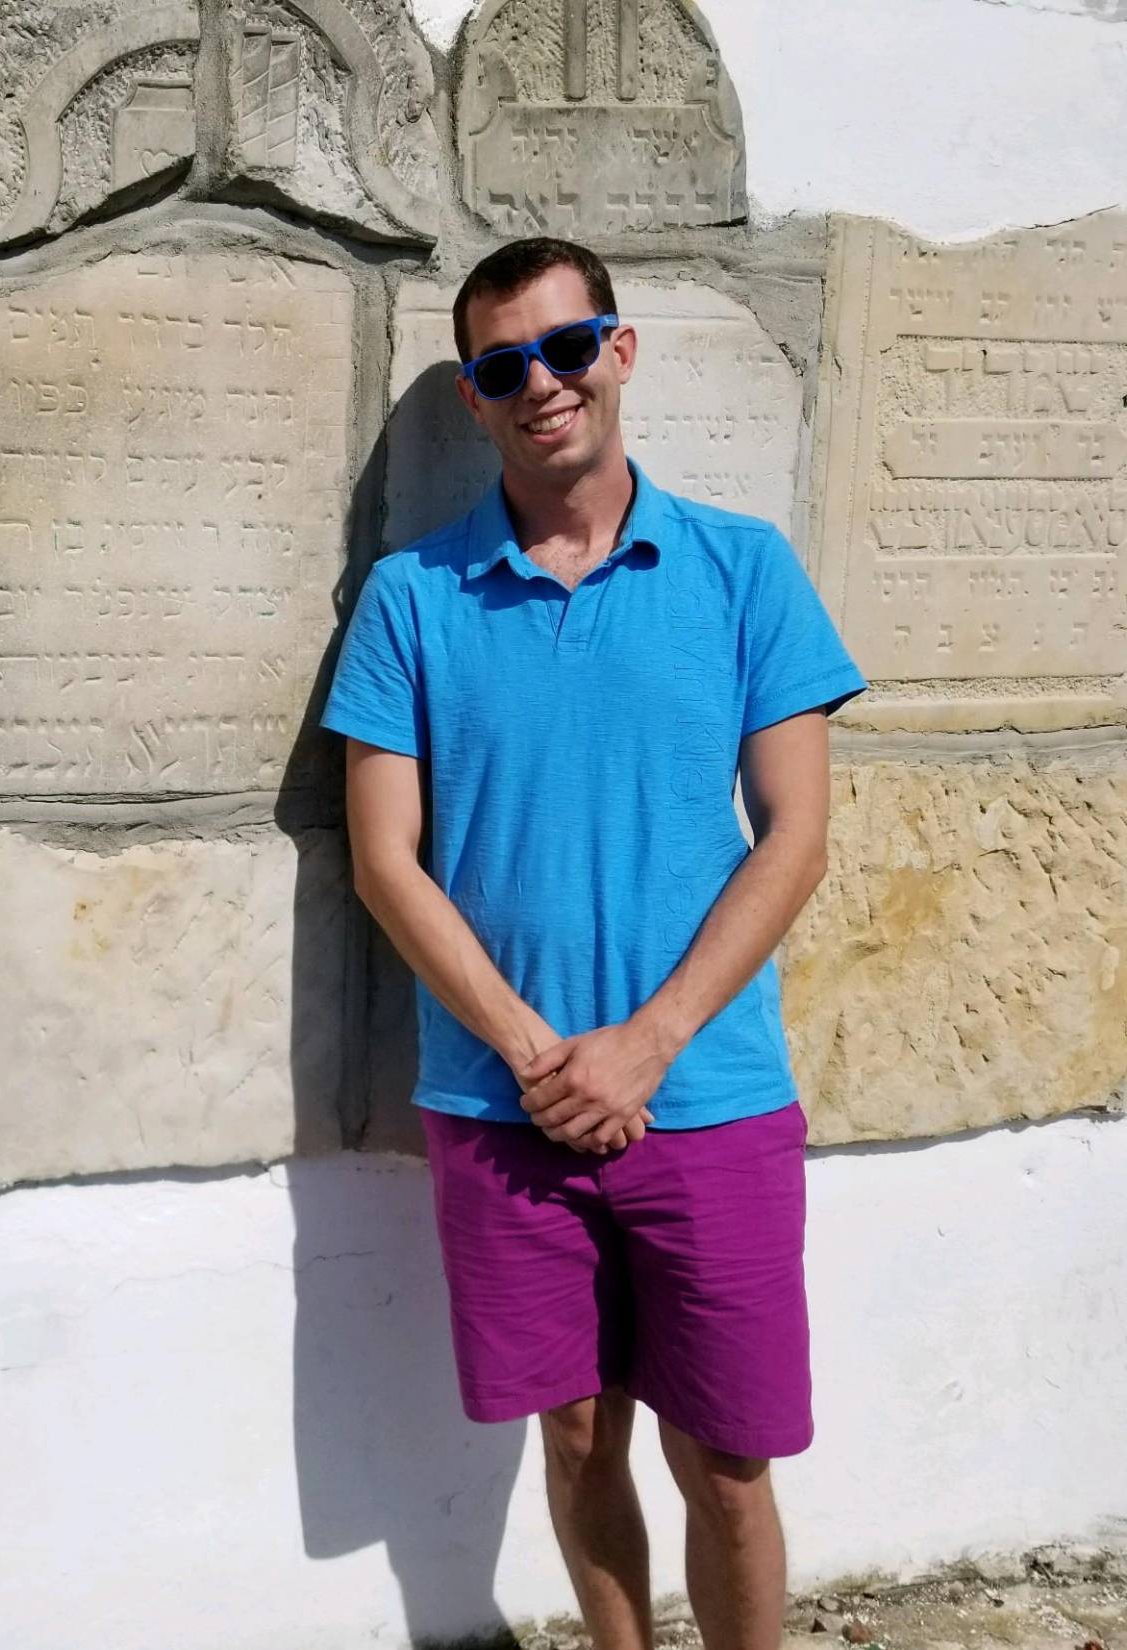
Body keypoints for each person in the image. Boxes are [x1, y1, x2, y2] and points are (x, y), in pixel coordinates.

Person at [326, 239, 865, 1650]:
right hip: (500, 1106)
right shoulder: (412, 597)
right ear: (473, 393)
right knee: (574, 1437)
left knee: (728, 1460)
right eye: (504, 366)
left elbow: (794, 836)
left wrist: (646, 1045)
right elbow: (385, 861)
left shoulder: (742, 569)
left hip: (709, 1094)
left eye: (567, 349)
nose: (542, 385)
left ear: (618, 352)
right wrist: (537, 1056)